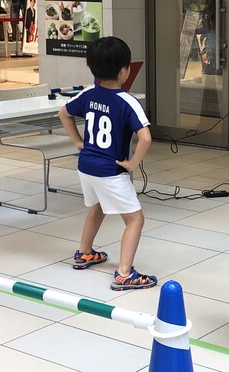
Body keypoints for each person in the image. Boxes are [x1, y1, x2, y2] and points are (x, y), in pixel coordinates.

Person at [58, 36, 157, 291]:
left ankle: (84, 252)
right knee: (135, 220)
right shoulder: (127, 101)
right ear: (124, 70)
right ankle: (124, 273)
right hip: (110, 171)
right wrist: (133, 163)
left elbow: (63, 113)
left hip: (86, 166)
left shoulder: (88, 93)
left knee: (99, 205)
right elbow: (146, 137)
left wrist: (78, 142)